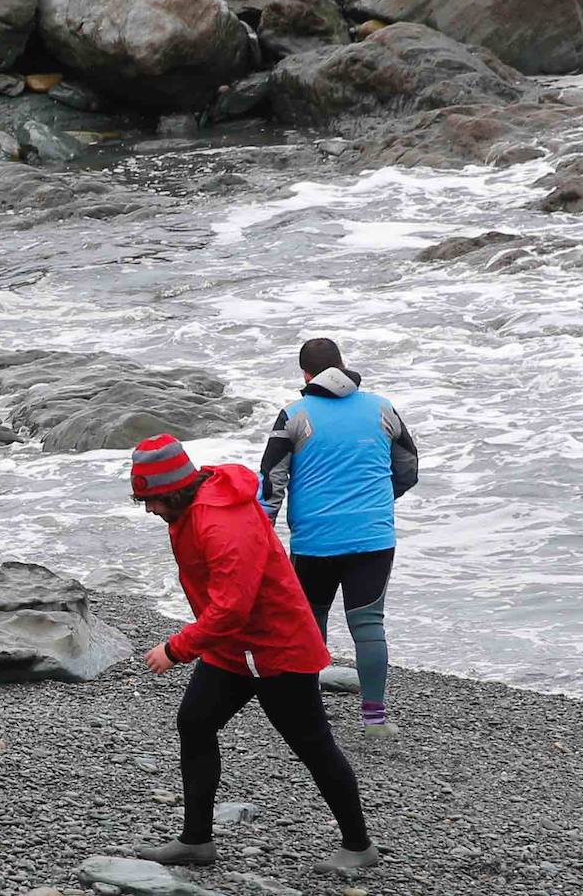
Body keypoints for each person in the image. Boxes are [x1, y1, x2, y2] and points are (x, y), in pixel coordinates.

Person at [132, 433, 379, 875]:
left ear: (174, 489)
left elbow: (232, 606)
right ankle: (196, 841)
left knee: (313, 745)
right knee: (195, 721)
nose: (149, 509)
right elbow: (225, 610)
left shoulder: (221, 522)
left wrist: (176, 648)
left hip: (276, 647)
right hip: (234, 647)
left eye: (151, 499)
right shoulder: (188, 508)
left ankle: (358, 846)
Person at [258, 338, 418, 737]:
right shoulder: (383, 408)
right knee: (368, 624)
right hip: (373, 536)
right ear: (344, 366)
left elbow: (271, 485)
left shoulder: (293, 416)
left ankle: (311, 715)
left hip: (315, 540)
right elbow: (408, 468)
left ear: (305, 375)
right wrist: (379, 501)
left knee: (311, 623)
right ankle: (375, 720)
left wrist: (263, 534)